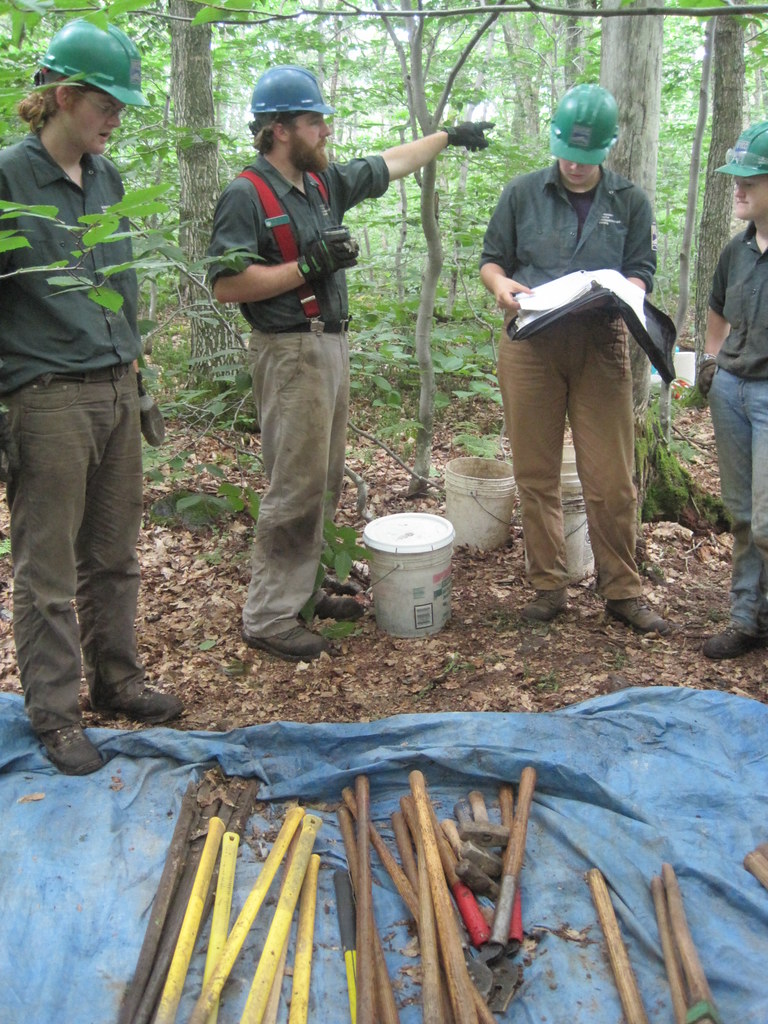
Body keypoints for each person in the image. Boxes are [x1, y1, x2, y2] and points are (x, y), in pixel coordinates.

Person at [207, 64, 492, 662]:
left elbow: (391, 162)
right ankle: (270, 615)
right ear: (280, 129)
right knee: (295, 485)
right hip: (288, 351)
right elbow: (227, 286)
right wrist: (307, 267)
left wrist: (450, 137)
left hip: (329, 346)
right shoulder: (246, 194)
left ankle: (304, 591)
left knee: (326, 479)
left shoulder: (321, 183)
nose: (326, 131)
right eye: (315, 122)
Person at [0, 20, 183, 775]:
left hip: (115, 385)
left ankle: (118, 678)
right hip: (44, 398)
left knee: (112, 555)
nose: (116, 117)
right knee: (45, 571)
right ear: (66, 96)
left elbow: (122, 287)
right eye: (106, 103)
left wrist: (136, 368)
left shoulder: (106, 179)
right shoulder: (10, 179)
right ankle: (55, 712)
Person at [479, 83, 669, 634]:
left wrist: (626, 288)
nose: (575, 167)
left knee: (612, 478)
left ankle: (623, 590)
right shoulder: (521, 193)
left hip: (600, 342)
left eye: (587, 159)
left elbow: (641, 271)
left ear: (607, 149)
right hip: (531, 342)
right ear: (554, 140)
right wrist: (501, 288)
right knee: (535, 471)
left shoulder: (629, 200)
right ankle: (547, 586)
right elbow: (493, 262)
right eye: (567, 154)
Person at [697, 122, 768, 659]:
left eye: (751, 178)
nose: (738, 188)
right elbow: (716, 312)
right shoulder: (736, 251)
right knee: (743, 515)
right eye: (735, 178)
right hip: (732, 393)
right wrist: (715, 365)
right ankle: (746, 619)